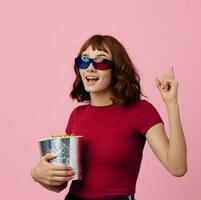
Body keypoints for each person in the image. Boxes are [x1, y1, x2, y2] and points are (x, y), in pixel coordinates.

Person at [31, 34, 187, 200]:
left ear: (117, 69)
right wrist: (38, 174)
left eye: (101, 61)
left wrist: (172, 104)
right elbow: (60, 184)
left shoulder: (141, 111)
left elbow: (177, 167)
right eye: (84, 60)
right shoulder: (77, 116)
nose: (90, 68)